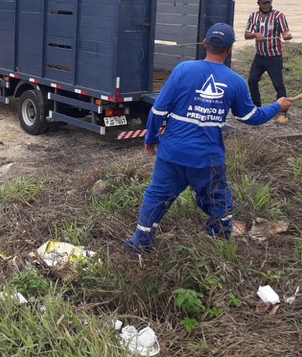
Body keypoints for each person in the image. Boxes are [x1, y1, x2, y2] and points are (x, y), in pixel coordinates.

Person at [125, 23, 292, 254]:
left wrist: (151, 139)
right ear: (230, 49)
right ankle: (217, 241)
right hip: (207, 158)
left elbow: (158, 111)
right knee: (218, 200)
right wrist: (277, 106)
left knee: (156, 196)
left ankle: (141, 244)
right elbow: (251, 117)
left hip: (172, 152)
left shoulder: (183, 70)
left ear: (205, 44)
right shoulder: (235, 81)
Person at [244, 0, 293, 124]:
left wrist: (287, 36)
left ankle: (283, 113)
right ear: (258, 3)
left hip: (274, 57)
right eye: (263, 3)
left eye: (268, 2)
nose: (266, 5)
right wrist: (255, 35)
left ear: (271, 2)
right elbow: (246, 34)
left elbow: (285, 32)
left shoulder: (279, 16)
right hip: (260, 56)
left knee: (278, 85)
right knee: (252, 80)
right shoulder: (253, 16)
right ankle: (257, 107)